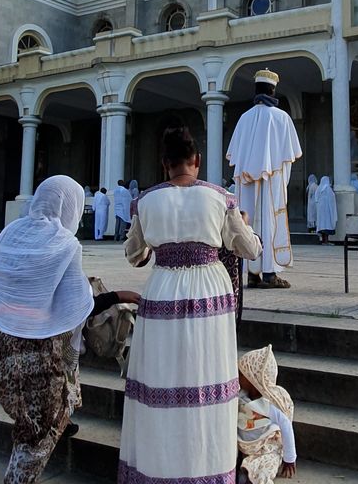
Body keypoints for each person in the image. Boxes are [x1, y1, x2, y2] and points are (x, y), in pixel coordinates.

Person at [119, 126, 262, 483]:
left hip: (163, 287)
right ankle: (204, 469)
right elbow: (250, 249)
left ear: (164, 163)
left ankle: (159, 468)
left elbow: (135, 255)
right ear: (196, 160)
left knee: (161, 378)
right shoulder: (220, 198)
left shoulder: (146, 200)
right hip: (208, 294)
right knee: (206, 379)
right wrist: (245, 225)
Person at [0, 175, 140, 483]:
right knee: (38, 431)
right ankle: (17, 478)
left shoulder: (13, 229)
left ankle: (65, 417)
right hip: (32, 353)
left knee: (63, 370)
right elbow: (79, 307)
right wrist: (117, 297)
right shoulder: (65, 244)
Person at [227, 69, 301, 290]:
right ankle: (269, 274)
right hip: (271, 182)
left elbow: (234, 156)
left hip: (246, 184)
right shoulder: (281, 117)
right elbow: (289, 156)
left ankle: (251, 273)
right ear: (272, 90)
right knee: (269, 223)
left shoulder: (244, 118)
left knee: (247, 224)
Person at [237, 345, 297, 483]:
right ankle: (245, 474)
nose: (238, 377)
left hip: (267, 447)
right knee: (245, 466)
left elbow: (286, 427)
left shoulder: (268, 405)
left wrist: (289, 458)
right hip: (248, 447)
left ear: (253, 378)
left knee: (265, 469)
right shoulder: (241, 398)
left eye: (241, 374)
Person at [314, 176, 337, 244]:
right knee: (327, 225)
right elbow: (332, 198)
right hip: (327, 211)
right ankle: (326, 241)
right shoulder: (328, 189)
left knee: (322, 225)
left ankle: (323, 241)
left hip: (320, 211)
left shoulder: (319, 189)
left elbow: (316, 199)